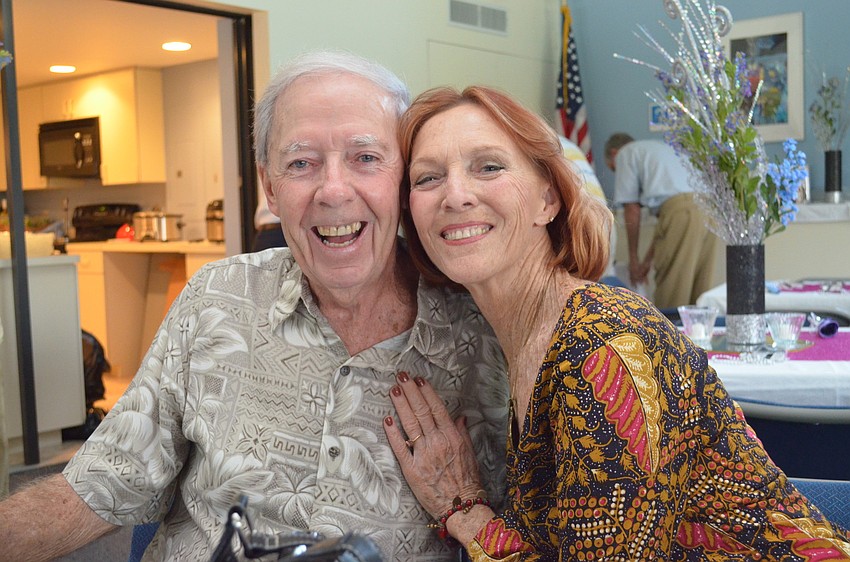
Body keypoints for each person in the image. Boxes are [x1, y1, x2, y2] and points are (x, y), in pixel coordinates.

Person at [0, 51, 508, 562]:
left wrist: (466, 507)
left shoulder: (482, 332)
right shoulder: (218, 298)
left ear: (403, 180)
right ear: (270, 187)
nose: (333, 190)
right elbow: (103, 482)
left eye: (366, 158)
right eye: (301, 163)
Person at [382, 85, 850, 560]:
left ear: (548, 199)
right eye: (427, 178)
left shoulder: (602, 346)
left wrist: (465, 512)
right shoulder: (525, 337)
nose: (455, 195)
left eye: (489, 167)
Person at [604, 132, 719, 308]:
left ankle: (668, 327)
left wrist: (633, 261)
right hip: (710, 211)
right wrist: (646, 262)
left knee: (672, 292)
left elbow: (632, 209)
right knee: (698, 296)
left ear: (614, 154)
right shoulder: (661, 150)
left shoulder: (625, 153)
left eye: (614, 169)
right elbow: (666, 226)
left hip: (682, 212)